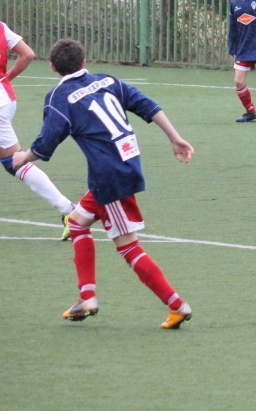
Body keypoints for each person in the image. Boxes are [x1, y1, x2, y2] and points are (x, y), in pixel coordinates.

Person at [12, 38, 196, 327]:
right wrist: (175, 137)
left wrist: (24, 157)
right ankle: (87, 297)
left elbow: (47, 142)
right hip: (124, 166)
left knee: (128, 247)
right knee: (77, 222)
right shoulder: (107, 80)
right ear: (84, 62)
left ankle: (177, 305)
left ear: (52, 67)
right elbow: (147, 105)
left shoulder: (58, 97)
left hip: (111, 178)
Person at [0, 22, 75, 240]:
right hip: (5, 98)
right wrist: (6, 79)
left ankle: (69, 211)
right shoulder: (1, 27)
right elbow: (28, 54)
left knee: (13, 161)